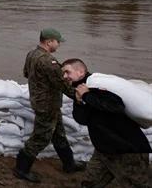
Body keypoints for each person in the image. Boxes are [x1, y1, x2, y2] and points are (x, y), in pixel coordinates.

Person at [61, 58, 152, 188]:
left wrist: (87, 96)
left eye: (67, 72)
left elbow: (116, 106)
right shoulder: (82, 91)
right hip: (103, 151)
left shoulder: (97, 87)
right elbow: (82, 120)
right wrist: (79, 102)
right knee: (89, 184)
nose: (64, 76)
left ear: (80, 72)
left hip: (127, 151)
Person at [14, 28, 85, 183]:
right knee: (41, 137)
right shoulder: (49, 61)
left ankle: (69, 164)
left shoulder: (31, 54)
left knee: (59, 134)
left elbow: (26, 73)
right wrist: (79, 96)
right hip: (47, 105)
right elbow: (62, 84)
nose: (58, 45)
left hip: (41, 101)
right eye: (57, 42)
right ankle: (21, 168)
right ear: (49, 41)